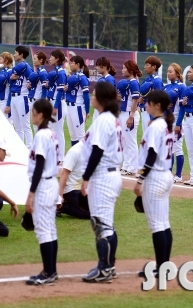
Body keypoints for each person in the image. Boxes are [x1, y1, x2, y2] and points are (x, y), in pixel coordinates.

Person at [80, 82, 122, 283]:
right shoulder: (109, 119)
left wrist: (86, 177)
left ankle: (105, 268)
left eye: (94, 94)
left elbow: (97, 151)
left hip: (103, 175)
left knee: (101, 225)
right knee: (106, 225)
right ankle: (109, 266)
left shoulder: (104, 120)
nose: (91, 96)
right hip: (109, 174)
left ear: (102, 99)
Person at [134, 90, 175, 278]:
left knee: (157, 225)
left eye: (148, 103)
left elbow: (151, 154)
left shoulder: (156, 126)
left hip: (155, 177)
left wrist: (140, 179)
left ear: (157, 105)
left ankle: (161, 268)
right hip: (165, 174)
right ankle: (163, 265)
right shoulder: (165, 125)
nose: (146, 105)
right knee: (164, 223)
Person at [25, 99, 60, 286]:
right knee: (50, 229)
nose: (32, 115)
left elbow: (39, 165)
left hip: (44, 185)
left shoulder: (41, 136)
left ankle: (48, 273)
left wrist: (31, 193)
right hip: (50, 183)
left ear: (40, 115)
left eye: (33, 112)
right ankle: (51, 271)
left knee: (44, 231)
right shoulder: (50, 133)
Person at [5, 45, 34, 148]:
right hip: (14, 97)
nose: (14, 54)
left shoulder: (25, 66)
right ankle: (20, 147)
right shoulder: (19, 67)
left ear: (21, 55)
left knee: (25, 126)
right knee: (17, 127)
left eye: (16, 53)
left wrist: (30, 85)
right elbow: (9, 78)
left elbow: (32, 78)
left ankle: (30, 148)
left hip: (23, 97)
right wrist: (11, 78)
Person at [117, 60, 141, 176]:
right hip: (122, 113)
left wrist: (131, 116)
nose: (122, 70)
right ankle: (126, 165)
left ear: (130, 70)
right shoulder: (126, 82)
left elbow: (135, 100)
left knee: (130, 141)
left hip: (129, 114)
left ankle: (132, 167)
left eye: (124, 68)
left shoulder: (133, 82)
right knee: (124, 141)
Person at [165, 63, 187, 183]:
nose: (168, 73)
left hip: (176, 119)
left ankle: (178, 175)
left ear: (177, 73)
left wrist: (179, 123)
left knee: (177, 148)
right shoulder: (167, 87)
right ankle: (168, 172)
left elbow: (183, 107)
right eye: (167, 71)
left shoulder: (182, 87)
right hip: (166, 120)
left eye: (170, 71)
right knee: (168, 147)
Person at [57, 140, 90, 219]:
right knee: (88, 213)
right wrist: (60, 196)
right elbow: (64, 173)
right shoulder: (75, 151)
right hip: (71, 190)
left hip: (82, 189)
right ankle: (61, 207)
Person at [46, 49, 67, 163]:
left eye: (52, 57)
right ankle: (54, 155)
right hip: (52, 102)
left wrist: (55, 106)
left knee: (58, 131)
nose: (50, 59)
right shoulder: (56, 71)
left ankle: (60, 157)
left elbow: (59, 92)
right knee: (52, 130)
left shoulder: (61, 72)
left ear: (57, 59)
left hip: (57, 103)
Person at [65, 55, 90, 145]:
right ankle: (75, 158)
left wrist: (87, 111)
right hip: (69, 107)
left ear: (78, 64)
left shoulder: (82, 77)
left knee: (81, 136)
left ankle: (84, 158)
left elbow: (86, 95)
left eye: (71, 63)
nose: (70, 65)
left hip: (77, 107)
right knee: (73, 136)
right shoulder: (73, 76)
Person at [139, 56, 163, 134]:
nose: (144, 67)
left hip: (150, 113)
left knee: (150, 139)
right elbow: (141, 94)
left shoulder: (157, 81)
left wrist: (153, 118)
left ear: (154, 67)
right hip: (144, 111)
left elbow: (158, 101)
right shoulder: (147, 79)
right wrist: (140, 98)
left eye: (147, 65)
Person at [0, 52, 13, 116]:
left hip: (4, 101)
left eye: (0, 59)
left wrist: (8, 105)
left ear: (6, 61)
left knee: (7, 124)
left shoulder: (10, 72)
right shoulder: (1, 72)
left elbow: (11, 89)